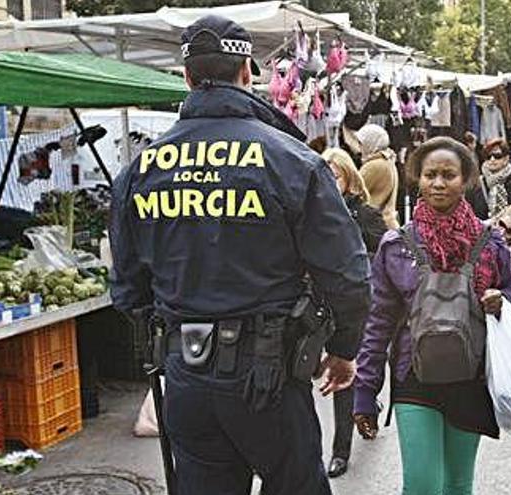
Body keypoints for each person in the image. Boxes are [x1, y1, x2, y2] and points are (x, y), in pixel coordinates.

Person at [109, 15, 371, 495]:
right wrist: (344, 349)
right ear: (248, 72)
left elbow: (126, 289)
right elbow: (348, 274)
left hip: (186, 376)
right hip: (267, 378)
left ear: (186, 77)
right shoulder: (293, 161)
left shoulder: (140, 170)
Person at [353, 137, 511, 495]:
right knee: (422, 486)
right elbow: (378, 323)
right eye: (430, 175)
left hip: (471, 375)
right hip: (414, 377)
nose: (439, 183)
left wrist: (500, 299)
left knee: (458, 485)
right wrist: (365, 391)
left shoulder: (490, 242)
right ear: (417, 179)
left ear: (466, 180)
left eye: (448, 175)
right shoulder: (396, 245)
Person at [321, 148, 387, 478]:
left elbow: (383, 254)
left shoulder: (365, 215)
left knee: (348, 372)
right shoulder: (310, 214)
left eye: (334, 175)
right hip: (318, 307)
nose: (329, 182)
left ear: (349, 180)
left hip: (355, 305)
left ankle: (340, 451)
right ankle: (367, 401)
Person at [467, 138, 511, 236]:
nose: (492, 160)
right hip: (482, 241)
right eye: (488, 156)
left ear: (506, 158)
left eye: (497, 156)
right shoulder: (476, 183)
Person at [357, 123, 400, 230]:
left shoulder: (374, 165)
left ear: (370, 142)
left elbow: (356, 192)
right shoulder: (387, 161)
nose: (359, 148)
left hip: (374, 225)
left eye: (361, 143)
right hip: (385, 223)